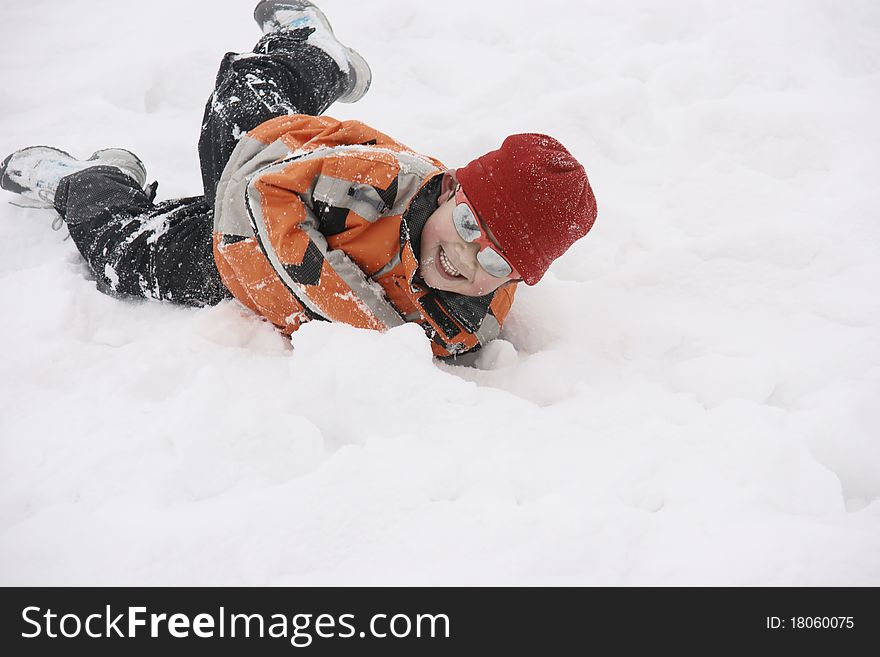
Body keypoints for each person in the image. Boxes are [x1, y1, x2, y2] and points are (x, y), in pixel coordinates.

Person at [0, 0, 598, 359]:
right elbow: (268, 194)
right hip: (267, 165)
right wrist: (368, 323)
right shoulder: (384, 182)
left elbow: (424, 347)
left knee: (125, 255)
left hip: (236, 265)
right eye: (469, 224)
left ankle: (91, 181)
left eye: (495, 264)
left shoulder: (470, 319)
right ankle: (311, 52)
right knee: (239, 100)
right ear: (449, 190)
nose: (468, 258)